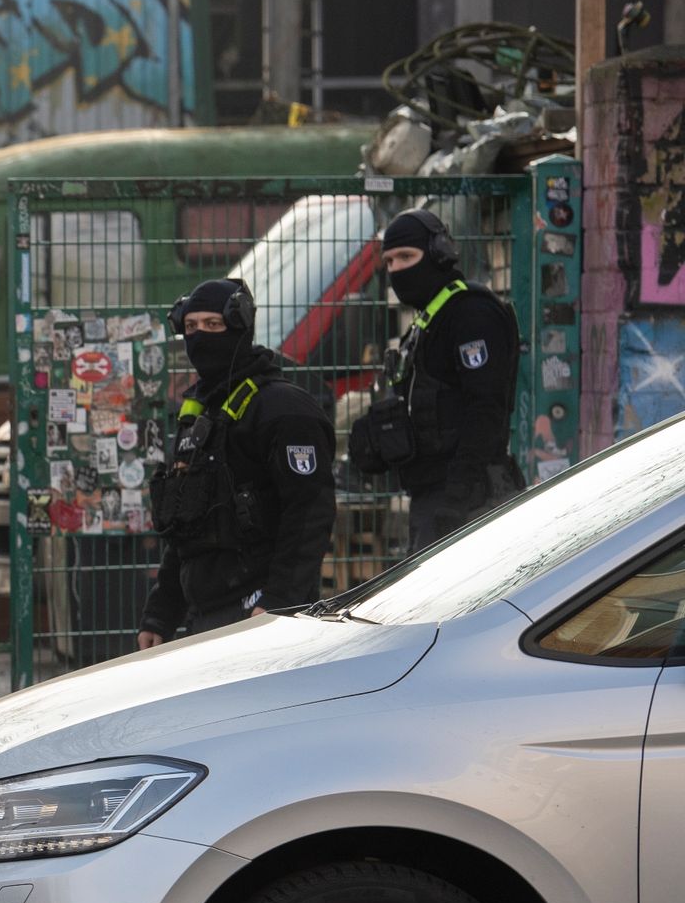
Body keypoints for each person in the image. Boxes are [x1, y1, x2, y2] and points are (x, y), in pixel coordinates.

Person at [138, 278, 336, 648]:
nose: (201, 336)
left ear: (240, 326)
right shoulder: (197, 415)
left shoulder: (284, 410)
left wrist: (279, 602)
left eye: (213, 325)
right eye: (192, 327)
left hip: (261, 613)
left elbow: (310, 514)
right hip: (207, 613)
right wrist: (161, 615)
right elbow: (185, 528)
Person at [350, 208, 524, 551]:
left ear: (439, 253)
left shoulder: (471, 315)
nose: (397, 269)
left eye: (406, 256)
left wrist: (458, 496)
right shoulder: (425, 324)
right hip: (432, 497)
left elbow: (486, 408)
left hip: (471, 497)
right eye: (389, 261)